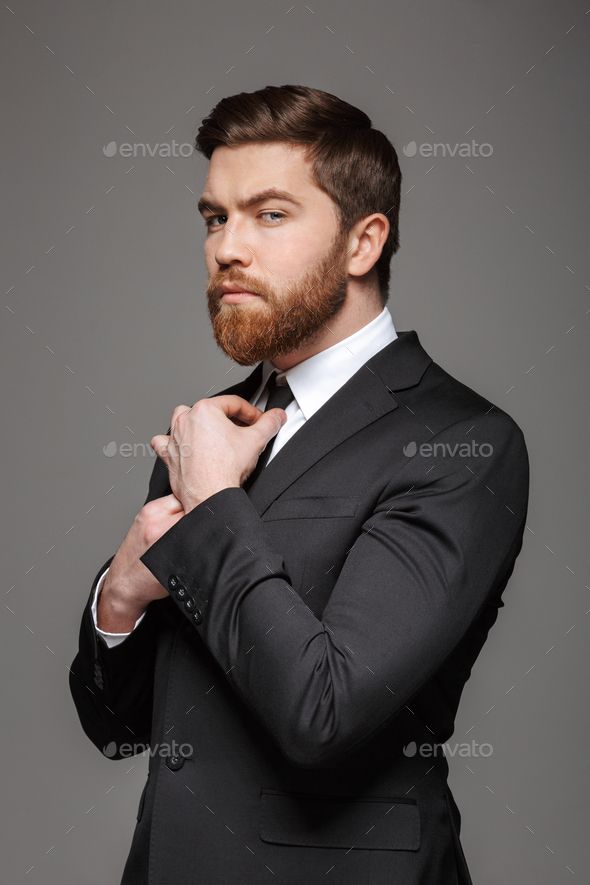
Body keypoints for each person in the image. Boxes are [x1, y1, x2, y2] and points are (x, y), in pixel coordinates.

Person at [69, 84, 529, 884]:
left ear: (363, 241)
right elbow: (122, 730)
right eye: (215, 218)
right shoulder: (212, 426)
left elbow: (324, 711)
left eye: (270, 214)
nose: (226, 248)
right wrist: (119, 596)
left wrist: (213, 506)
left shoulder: (462, 444)